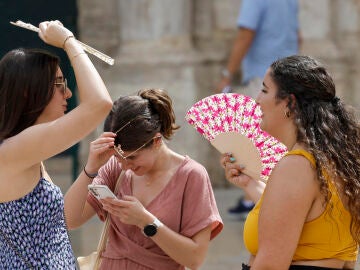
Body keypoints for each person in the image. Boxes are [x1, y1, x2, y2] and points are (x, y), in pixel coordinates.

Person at [222, 55, 360, 269]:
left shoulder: (296, 166)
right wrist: (251, 184)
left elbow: (271, 265)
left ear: (290, 103)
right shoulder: (337, 158)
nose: (257, 99)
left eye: (265, 90)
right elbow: (303, 217)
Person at [65, 88, 224, 270]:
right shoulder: (115, 169)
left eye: (132, 158)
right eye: (118, 157)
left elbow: (195, 259)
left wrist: (146, 221)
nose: (125, 166)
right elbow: (69, 220)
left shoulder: (191, 176)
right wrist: (90, 168)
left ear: (156, 141)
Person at [0, 20, 113, 269]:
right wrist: (68, 42)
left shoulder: (23, 147)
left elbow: (57, 222)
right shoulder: (18, 147)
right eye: (59, 85)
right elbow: (100, 103)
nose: (68, 94)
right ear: (30, 91)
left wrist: (91, 171)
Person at [216, 0, 301, 218]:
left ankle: (254, 200)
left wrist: (227, 74)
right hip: (289, 74)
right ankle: (258, 198)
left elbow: (246, 35)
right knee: (282, 139)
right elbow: (297, 36)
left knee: (258, 138)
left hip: (264, 75)